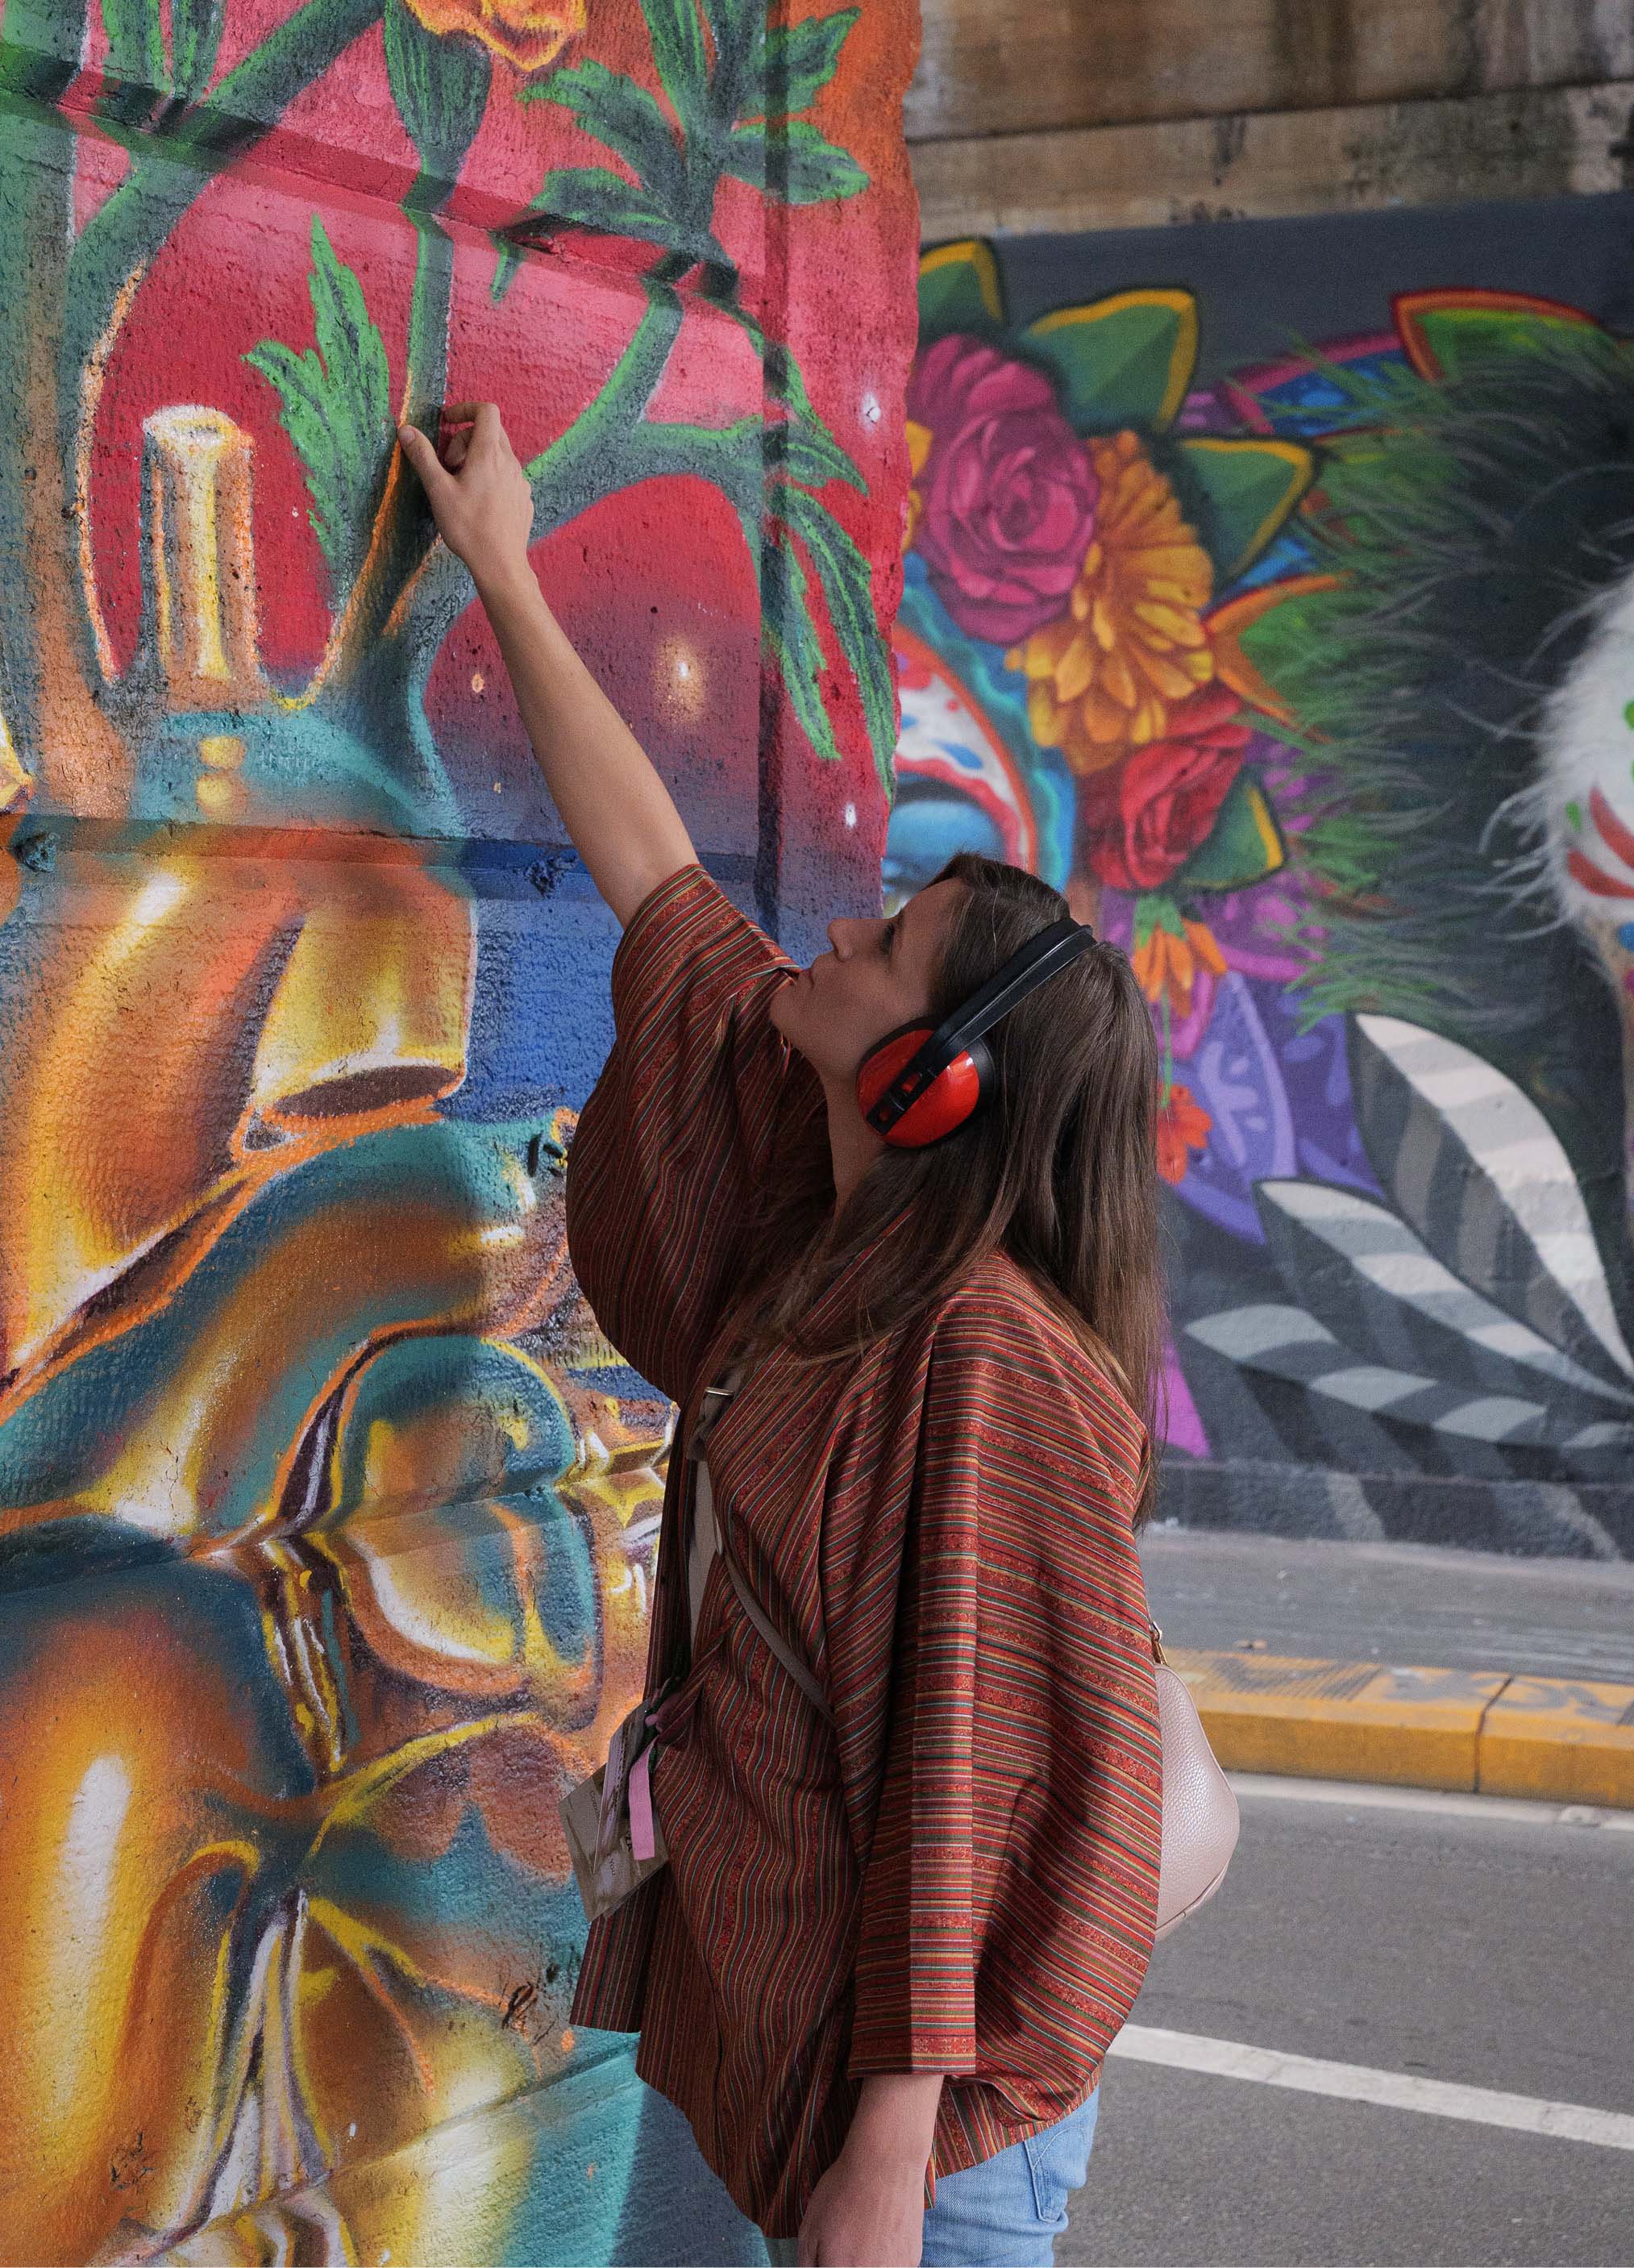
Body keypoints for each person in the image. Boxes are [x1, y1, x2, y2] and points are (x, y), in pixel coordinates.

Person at [398, 407, 1165, 2268]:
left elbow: (967, 1767)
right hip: (797, 2061)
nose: (836, 932)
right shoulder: (828, 1215)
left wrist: (887, 2157)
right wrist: (501, 560)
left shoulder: (984, 1358)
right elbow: (657, 876)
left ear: (936, 1078)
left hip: (920, 2142)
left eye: (884, 946)